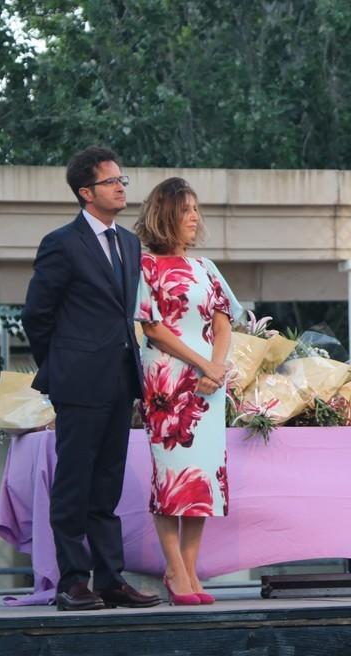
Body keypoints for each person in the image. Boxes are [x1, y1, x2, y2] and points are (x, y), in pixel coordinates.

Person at [22, 147, 161, 610]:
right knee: (74, 485)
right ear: (86, 192)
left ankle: (110, 580)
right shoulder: (61, 243)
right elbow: (37, 316)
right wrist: (63, 366)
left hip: (121, 380)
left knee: (107, 486)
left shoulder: (130, 243)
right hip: (78, 384)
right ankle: (71, 581)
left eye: (124, 179)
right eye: (111, 181)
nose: (122, 186)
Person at [133, 177, 242, 605]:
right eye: (186, 209)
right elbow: (154, 329)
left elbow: (222, 322)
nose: (195, 217)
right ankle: (174, 570)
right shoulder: (143, 267)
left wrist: (216, 368)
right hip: (167, 379)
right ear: (166, 215)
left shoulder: (206, 268)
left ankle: (191, 571)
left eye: (197, 209)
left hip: (209, 383)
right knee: (170, 476)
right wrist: (203, 365)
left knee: (202, 480)